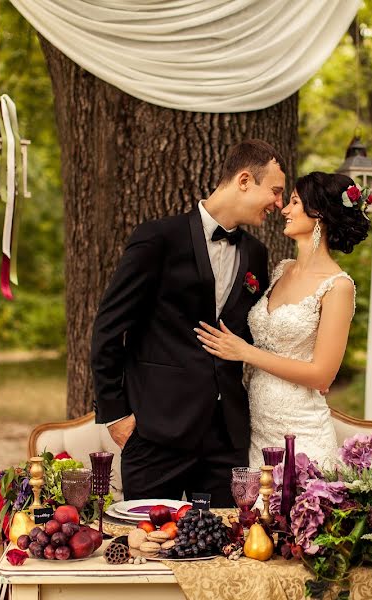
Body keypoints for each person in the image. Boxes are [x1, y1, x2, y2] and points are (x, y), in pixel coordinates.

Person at [91, 139, 286, 503]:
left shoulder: (256, 255)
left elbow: (255, 334)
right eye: (275, 191)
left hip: (224, 439)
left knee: (221, 549)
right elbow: (108, 326)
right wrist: (115, 414)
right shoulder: (157, 239)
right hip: (154, 433)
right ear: (245, 180)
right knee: (150, 549)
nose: (278, 203)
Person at [196, 171, 372, 467]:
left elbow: (322, 375)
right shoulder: (281, 270)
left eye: (294, 202)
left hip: (301, 434)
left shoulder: (338, 286)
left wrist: (245, 352)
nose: (285, 210)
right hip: (257, 432)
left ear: (318, 214)